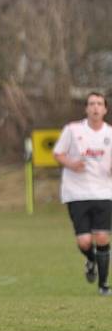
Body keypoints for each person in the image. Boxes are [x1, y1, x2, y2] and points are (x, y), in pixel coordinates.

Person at [53, 92, 112, 296]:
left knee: (102, 237)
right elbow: (58, 153)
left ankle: (104, 285)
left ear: (105, 109)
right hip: (76, 192)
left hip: (104, 192)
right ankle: (91, 259)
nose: (95, 107)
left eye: (99, 104)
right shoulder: (72, 130)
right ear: (86, 108)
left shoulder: (110, 134)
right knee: (85, 241)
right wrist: (71, 163)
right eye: (91, 104)